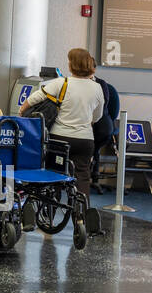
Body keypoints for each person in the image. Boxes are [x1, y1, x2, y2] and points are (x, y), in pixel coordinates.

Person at [19, 48, 105, 200]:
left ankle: (52, 205)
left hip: (60, 138)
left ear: (72, 65)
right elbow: (97, 117)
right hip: (85, 140)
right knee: (83, 176)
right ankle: (82, 214)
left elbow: (34, 98)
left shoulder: (62, 83)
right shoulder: (97, 88)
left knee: (54, 172)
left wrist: (21, 112)